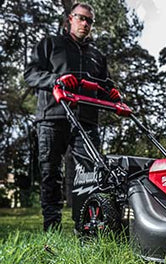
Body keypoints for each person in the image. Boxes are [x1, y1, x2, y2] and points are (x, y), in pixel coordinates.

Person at [24, 3, 120, 231]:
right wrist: (56, 80)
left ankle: (88, 227)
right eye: (81, 18)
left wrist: (113, 94)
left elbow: (104, 86)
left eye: (89, 21)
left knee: (90, 173)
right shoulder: (50, 44)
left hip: (86, 120)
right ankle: (52, 227)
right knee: (51, 172)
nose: (85, 24)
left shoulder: (96, 56)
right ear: (70, 19)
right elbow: (31, 74)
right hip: (52, 117)